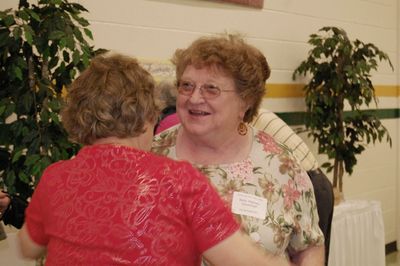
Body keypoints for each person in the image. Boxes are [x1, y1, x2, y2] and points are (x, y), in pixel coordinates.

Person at [17, 52, 291, 266]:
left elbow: (28, 247)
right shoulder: (180, 181)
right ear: (149, 117)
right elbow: (243, 261)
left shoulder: (55, 176)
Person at [152, 34, 325, 266]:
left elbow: (309, 246)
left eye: (211, 89)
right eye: (186, 86)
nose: (194, 98)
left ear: (245, 101)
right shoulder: (152, 155)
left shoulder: (280, 165)